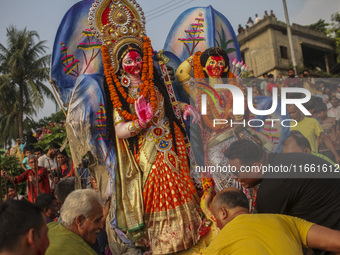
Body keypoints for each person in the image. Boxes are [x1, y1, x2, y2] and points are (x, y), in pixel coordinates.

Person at [92, 3, 202, 252]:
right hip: (147, 152)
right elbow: (119, 130)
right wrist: (139, 123)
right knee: (156, 193)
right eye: (129, 60)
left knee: (184, 186)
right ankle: (164, 244)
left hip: (172, 146)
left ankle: (192, 235)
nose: (136, 63)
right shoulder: (120, 97)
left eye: (138, 58)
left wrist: (184, 109)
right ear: (119, 66)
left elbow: (171, 106)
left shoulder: (155, 84)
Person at [224, 140, 340, 234]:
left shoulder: (272, 186)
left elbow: (271, 233)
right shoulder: (284, 161)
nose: (234, 177)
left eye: (237, 172)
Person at [200, 187, 340, 255]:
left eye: (215, 218)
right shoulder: (285, 220)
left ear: (223, 212)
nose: (217, 224)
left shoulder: (220, 243)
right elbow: (336, 241)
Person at [45, 189, 105, 255]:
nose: (101, 226)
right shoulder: (84, 252)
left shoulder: (48, 228)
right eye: (97, 221)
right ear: (80, 221)